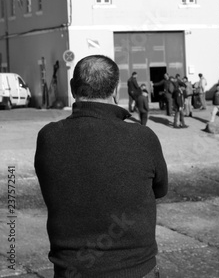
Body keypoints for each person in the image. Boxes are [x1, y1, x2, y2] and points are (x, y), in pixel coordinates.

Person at [34, 55, 168, 278]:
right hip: (136, 268)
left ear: (72, 87)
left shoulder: (49, 136)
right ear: (116, 89)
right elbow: (160, 189)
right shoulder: (143, 137)